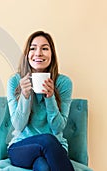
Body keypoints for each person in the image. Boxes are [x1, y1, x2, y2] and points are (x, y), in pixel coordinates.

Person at [6, 31, 74, 171]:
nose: (38, 53)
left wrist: (50, 98)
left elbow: (58, 127)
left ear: (52, 54)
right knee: (47, 140)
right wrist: (25, 96)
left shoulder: (63, 83)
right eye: (33, 48)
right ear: (27, 54)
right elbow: (18, 125)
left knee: (43, 167)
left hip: (54, 148)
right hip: (21, 147)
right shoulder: (15, 82)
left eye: (44, 48)